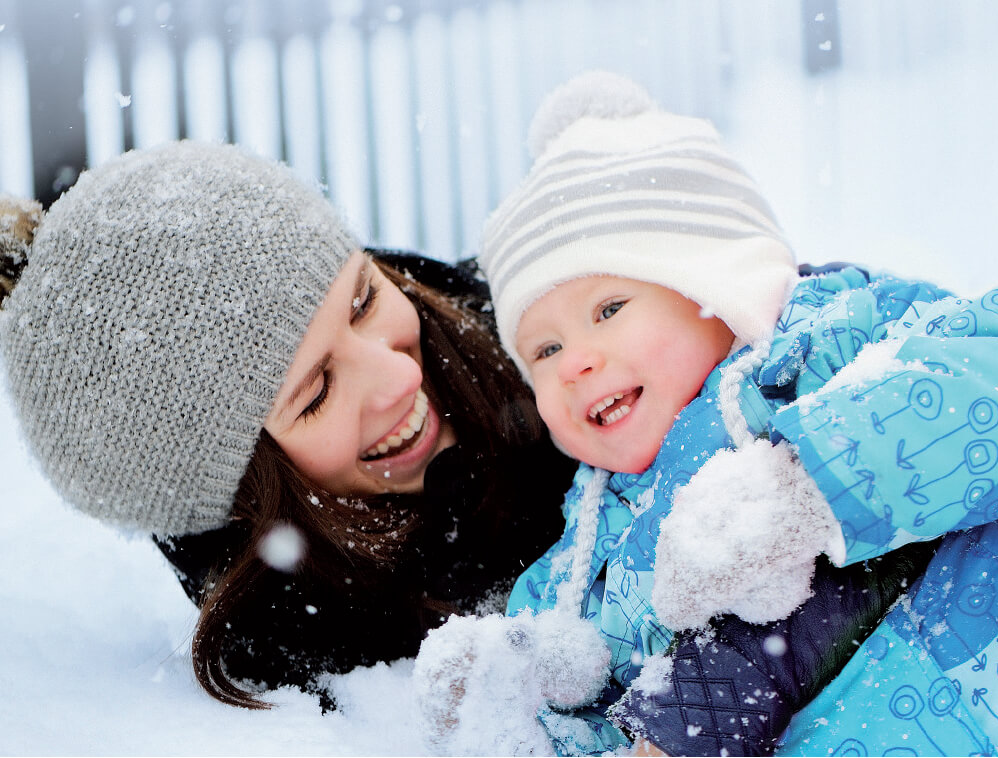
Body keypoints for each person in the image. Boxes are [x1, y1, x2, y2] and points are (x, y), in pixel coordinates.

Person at [420, 70, 998, 757]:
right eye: (543, 349)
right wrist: (511, 693)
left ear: (710, 278)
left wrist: (804, 487)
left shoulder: (832, 336)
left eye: (609, 310)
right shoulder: (589, 554)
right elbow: (617, 708)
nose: (574, 360)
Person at [0, 140, 575, 711]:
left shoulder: (571, 327)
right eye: (318, 392)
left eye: (363, 302)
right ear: (247, 498)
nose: (398, 375)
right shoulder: (308, 648)